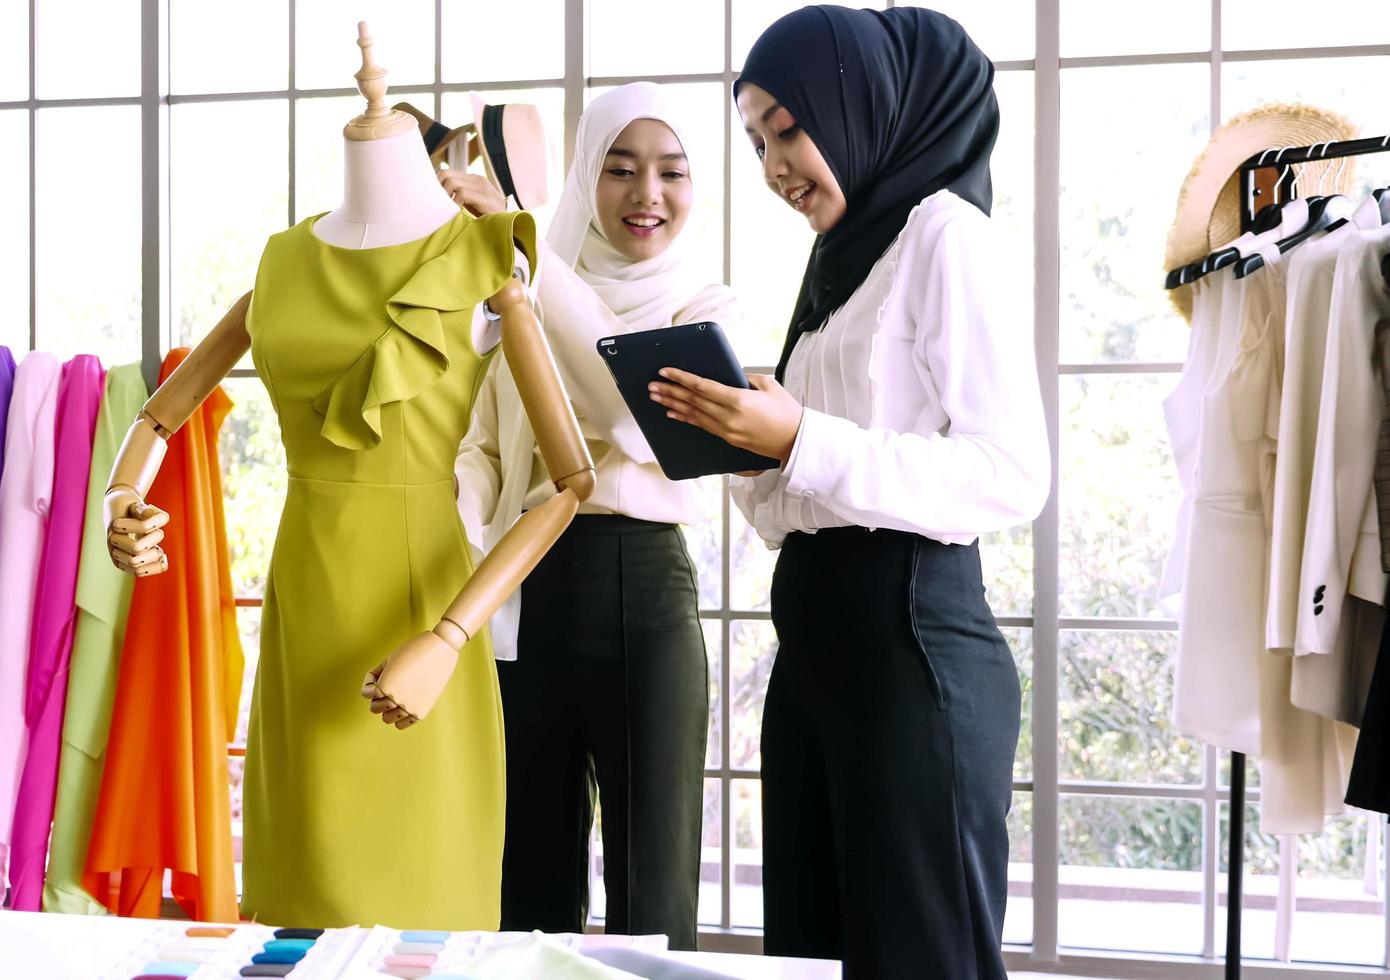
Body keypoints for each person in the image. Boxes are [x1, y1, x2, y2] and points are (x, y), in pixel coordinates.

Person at [649, 8, 1048, 977]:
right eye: (754, 142)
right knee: (810, 958)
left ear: (857, 103)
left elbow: (1010, 473)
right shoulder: (837, 264)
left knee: (917, 958)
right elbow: (808, 499)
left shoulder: (945, 235)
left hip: (912, 656)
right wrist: (755, 458)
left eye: (789, 127)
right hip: (818, 663)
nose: (775, 163)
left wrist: (802, 439)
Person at [448, 82, 738, 950]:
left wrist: (527, 267)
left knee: (654, 885)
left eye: (671, 172)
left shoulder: (705, 306)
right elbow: (482, 452)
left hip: (644, 587)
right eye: (619, 169)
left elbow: (632, 417)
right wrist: (466, 567)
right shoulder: (509, 297)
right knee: (526, 879)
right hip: (526, 587)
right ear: (586, 175)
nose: (647, 194)